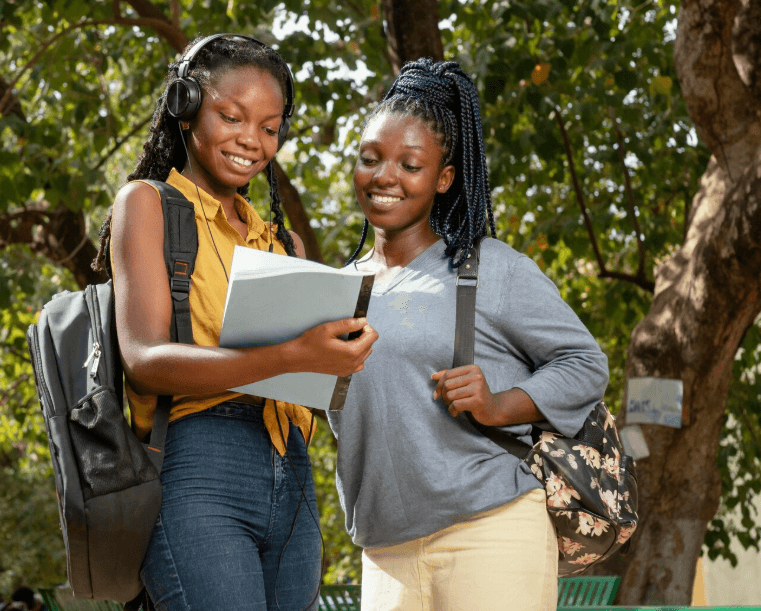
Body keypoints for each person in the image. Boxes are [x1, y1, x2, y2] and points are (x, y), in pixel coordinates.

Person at [91, 34, 378, 611]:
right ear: (186, 105)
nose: (253, 140)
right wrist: (295, 355)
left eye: (271, 128)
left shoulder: (285, 244)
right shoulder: (146, 204)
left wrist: (338, 359)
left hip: (291, 470)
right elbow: (144, 362)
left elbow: (313, 383)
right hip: (198, 462)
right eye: (232, 116)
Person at [327, 59, 610, 611]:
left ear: (444, 178)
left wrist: (500, 403)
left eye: (410, 165)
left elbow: (584, 362)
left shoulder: (489, 269)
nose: (384, 176)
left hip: (491, 526)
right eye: (370, 159)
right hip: (384, 547)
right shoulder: (335, 291)